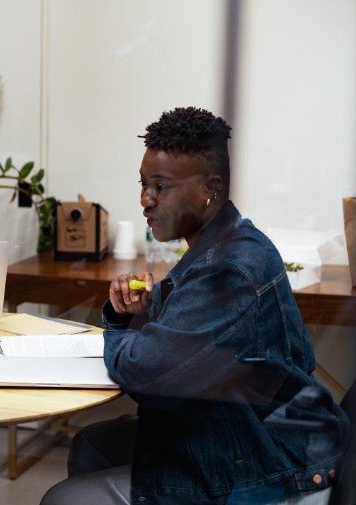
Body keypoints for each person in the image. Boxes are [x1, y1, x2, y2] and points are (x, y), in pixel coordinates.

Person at [42, 107, 348, 504]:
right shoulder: (219, 246)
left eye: (162, 186)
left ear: (212, 189)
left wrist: (118, 331)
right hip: (231, 430)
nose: (145, 199)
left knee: (64, 498)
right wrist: (128, 312)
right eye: (143, 183)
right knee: (91, 445)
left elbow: (144, 372)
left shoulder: (231, 269)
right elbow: (174, 338)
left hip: (269, 462)